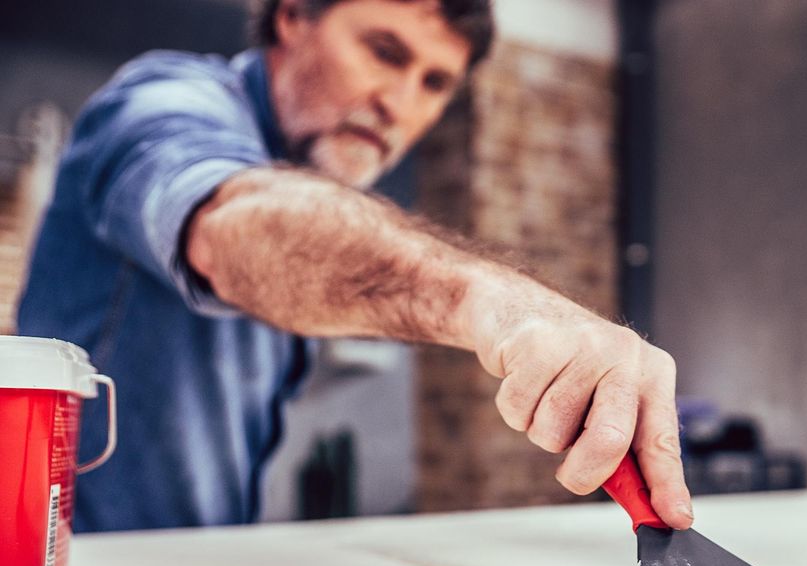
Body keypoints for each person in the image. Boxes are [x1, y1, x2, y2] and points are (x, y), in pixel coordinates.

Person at [17, 0, 692, 533]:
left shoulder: (303, 172)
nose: (400, 104)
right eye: (383, 51)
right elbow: (228, 224)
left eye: (434, 83)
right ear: (293, 17)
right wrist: (491, 306)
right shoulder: (164, 99)